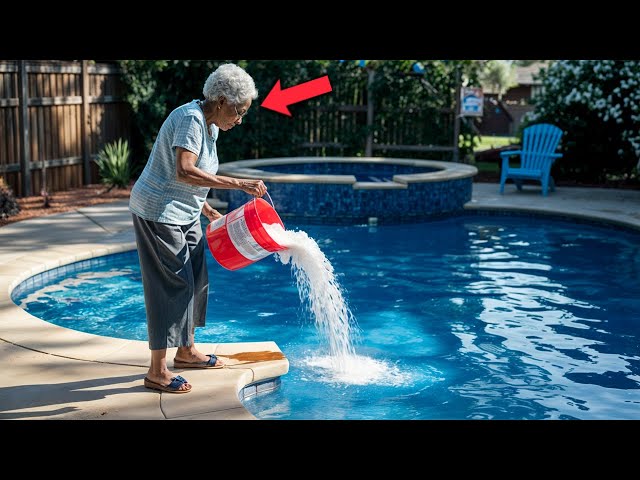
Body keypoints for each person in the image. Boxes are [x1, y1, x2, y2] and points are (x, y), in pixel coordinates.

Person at [129, 63, 267, 394]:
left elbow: (193, 179)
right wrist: (237, 183)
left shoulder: (211, 125)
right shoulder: (190, 120)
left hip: (185, 213)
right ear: (220, 100)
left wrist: (206, 210)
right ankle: (156, 371)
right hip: (159, 212)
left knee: (196, 279)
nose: (239, 119)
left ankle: (187, 350)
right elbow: (184, 170)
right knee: (171, 286)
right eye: (238, 111)